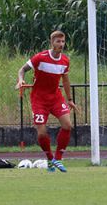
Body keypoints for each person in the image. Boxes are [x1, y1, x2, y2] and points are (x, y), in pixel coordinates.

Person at [15, 30, 78, 173]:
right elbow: (22, 69)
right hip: (39, 99)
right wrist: (20, 79)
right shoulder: (40, 57)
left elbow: (66, 80)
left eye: (63, 41)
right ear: (52, 42)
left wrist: (70, 99)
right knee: (42, 132)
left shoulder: (65, 61)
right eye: (58, 41)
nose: (61, 44)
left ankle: (58, 158)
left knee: (67, 125)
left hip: (55, 97)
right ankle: (50, 159)